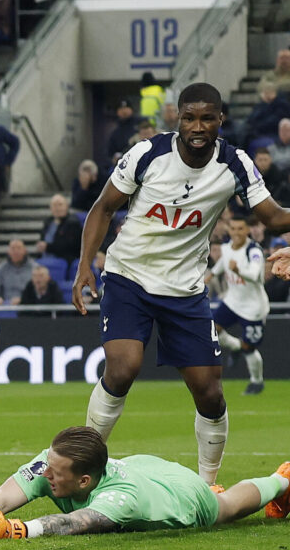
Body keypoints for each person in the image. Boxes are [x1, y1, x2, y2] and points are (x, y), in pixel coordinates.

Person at [72, 82, 290, 486]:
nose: (197, 126)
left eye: (207, 118)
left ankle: (208, 485)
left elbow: (273, 217)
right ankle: (85, 469)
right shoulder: (148, 153)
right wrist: (86, 264)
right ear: (177, 118)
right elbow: (103, 208)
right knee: (123, 368)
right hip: (129, 277)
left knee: (210, 392)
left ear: (220, 120)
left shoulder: (235, 164)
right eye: (189, 117)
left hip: (185, 290)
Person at [0, 426, 290, 539]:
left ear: (85, 480)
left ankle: (281, 479)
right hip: (142, 466)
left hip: (180, 495)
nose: (44, 475)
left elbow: (75, 523)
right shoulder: (55, 461)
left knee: (224, 508)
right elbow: (2, 495)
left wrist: (19, 530)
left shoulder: (122, 499)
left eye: (54, 474)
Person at [204, 216, 268, 395]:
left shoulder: (253, 251)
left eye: (241, 229)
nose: (237, 232)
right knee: (213, 329)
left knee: (250, 348)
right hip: (232, 301)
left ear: (247, 230)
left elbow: (255, 275)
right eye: (233, 229)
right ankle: (236, 347)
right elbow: (224, 263)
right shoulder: (225, 247)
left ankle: (257, 382)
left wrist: (239, 271)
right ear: (228, 230)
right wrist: (210, 276)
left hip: (253, 308)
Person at [0, 238, 33, 306]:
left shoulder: (35, 268)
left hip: (28, 307)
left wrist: (23, 300)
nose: (16, 251)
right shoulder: (0, 269)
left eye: (19, 248)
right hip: (7, 306)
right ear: (8, 252)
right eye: (13, 249)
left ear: (25, 251)